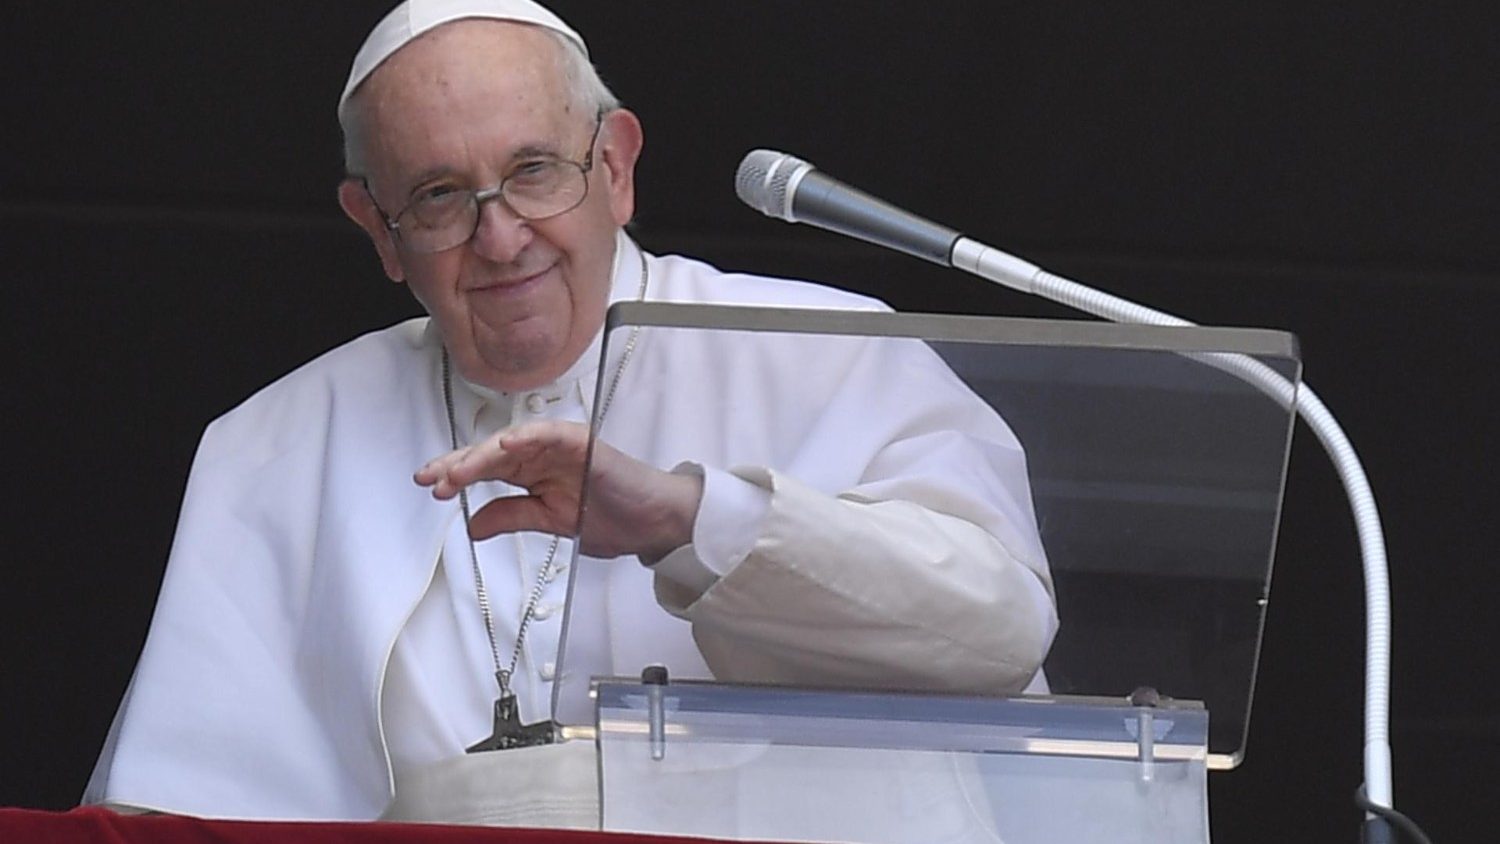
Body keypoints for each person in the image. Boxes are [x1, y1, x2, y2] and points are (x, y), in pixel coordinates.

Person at [85, 0, 1057, 835]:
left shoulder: (827, 350)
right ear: (375, 229)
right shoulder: (272, 446)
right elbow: (176, 810)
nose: (501, 237)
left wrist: (690, 518)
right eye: (436, 197)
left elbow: (1001, 632)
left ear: (618, 165)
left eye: (536, 170)